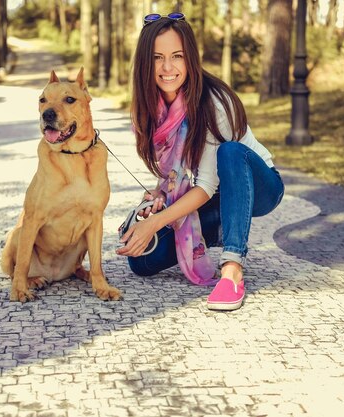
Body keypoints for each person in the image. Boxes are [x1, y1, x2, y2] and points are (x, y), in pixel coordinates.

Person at [116, 12, 284, 311]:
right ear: (145, 62)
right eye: (157, 57)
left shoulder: (215, 102)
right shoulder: (152, 110)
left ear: (190, 58)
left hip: (259, 185)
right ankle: (222, 226)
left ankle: (232, 268)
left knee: (230, 152)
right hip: (218, 197)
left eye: (177, 56)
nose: (168, 67)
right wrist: (160, 196)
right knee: (141, 261)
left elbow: (205, 186)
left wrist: (157, 221)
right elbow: (176, 171)